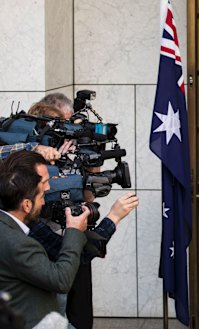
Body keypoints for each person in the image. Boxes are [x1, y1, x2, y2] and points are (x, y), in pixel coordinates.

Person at [26, 97, 139, 329]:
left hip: (72, 235)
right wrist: (114, 218)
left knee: (79, 313)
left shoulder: (67, 151)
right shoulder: (30, 163)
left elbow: (87, 197)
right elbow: (77, 252)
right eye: (69, 125)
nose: (73, 131)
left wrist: (89, 158)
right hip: (55, 245)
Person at [0, 150, 89, 329]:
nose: (45, 198)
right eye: (41, 194)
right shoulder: (17, 242)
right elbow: (61, 280)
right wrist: (73, 231)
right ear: (26, 204)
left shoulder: (9, 226)